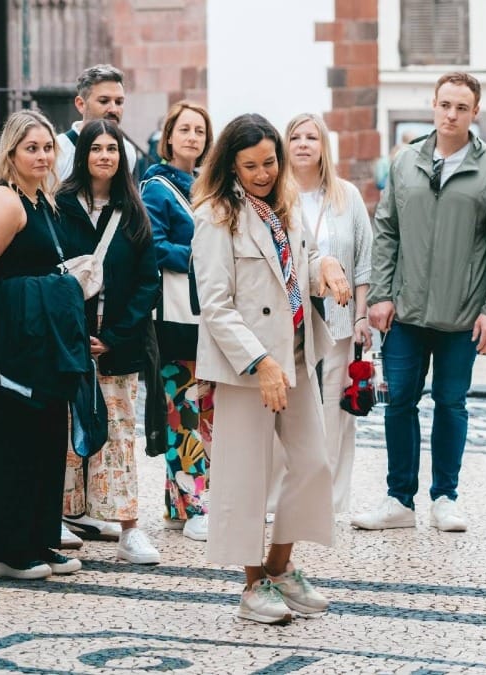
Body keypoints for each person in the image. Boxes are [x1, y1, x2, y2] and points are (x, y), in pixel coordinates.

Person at [192, 112, 351, 625]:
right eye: (250, 165)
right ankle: (252, 584)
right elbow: (215, 305)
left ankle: (280, 568)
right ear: (230, 165)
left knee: (312, 464)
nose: (262, 172)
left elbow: (295, 269)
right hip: (249, 367)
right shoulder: (215, 216)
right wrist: (258, 363)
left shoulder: (286, 207)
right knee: (245, 475)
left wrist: (323, 267)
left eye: (269, 162)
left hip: (297, 356)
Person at [352, 71, 486, 533]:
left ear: (475, 112)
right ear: (434, 104)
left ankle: (445, 497)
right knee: (399, 401)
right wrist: (381, 295)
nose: (451, 114)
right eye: (445, 104)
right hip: (405, 311)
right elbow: (386, 230)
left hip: (463, 315)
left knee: (451, 403)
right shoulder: (405, 163)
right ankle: (398, 500)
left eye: (461, 107)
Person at [0, 110, 82, 580]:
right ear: (10, 152)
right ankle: (7, 550)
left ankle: (39, 538)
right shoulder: (5, 202)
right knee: (9, 436)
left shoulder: (42, 201)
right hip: (3, 338)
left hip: (37, 338)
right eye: (32, 148)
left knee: (45, 436)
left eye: (48, 147)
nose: (42, 155)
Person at [56, 119, 163, 565]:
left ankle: (129, 529)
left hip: (117, 348)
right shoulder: (60, 206)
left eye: (112, 149)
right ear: (83, 156)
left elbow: (146, 282)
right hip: (69, 345)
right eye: (96, 148)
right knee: (63, 432)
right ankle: (59, 515)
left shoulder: (133, 211)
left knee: (120, 435)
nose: (104, 156)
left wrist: (115, 339)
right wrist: (76, 337)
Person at [280, 112, 373, 513]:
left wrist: (362, 316)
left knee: (335, 415)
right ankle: (283, 499)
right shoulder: (276, 197)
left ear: (323, 147)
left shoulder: (346, 196)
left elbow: (365, 260)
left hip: (338, 320)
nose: (303, 144)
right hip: (288, 322)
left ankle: (331, 502)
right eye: (296, 136)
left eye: (312, 137)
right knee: (289, 412)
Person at [140, 100, 214, 541]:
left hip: (202, 314)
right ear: (169, 137)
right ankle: (197, 505)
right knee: (182, 410)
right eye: (184, 129)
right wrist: (200, 258)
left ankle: (177, 505)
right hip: (174, 316)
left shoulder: (205, 186)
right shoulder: (156, 187)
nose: (192, 137)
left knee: (199, 408)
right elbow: (151, 245)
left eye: (200, 132)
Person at [55, 64, 138, 181]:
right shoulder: (58, 150)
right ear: (81, 104)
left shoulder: (127, 150)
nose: (114, 109)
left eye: (119, 102)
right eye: (104, 101)